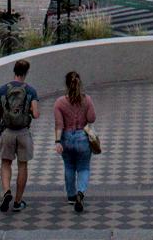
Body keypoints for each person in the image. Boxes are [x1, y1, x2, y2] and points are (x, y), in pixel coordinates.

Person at [0, 58, 40, 213]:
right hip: (23, 132)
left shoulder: (1, 90)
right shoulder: (31, 91)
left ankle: (7, 191)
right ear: (26, 73)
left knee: (6, 163)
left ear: (14, 71)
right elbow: (36, 114)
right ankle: (18, 202)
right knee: (22, 165)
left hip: (7, 132)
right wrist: (30, 111)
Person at [53, 70, 97, 213]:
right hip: (82, 138)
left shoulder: (59, 102)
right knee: (83, 167)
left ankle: (71, 195)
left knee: (69, 167)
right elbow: (91, 119)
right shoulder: (87, 99)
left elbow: (59, 124)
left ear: (66, 84)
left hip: (66, 138)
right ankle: (81, 192)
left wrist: (57, 141)